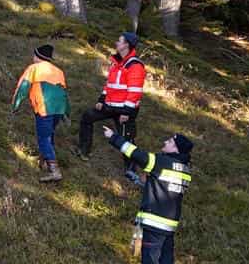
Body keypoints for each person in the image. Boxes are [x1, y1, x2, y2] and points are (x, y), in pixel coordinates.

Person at [102, 124, 193, 264]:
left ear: (176, 149)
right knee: (166, 260)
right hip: (169, 224)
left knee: (150, 261)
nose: (165, 142)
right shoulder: (185, 169)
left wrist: (113, 137)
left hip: (154, 221)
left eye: (169, 141)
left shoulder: (162, 162)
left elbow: (136, 154)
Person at [76, 31, 147, 181]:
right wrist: (101, 100)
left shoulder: (135, 66)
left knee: (127, 139)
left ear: (127, 45)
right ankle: (83, 151)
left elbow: (135, 92)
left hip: (125, 110)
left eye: (119, 41)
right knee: (87, 117)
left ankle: (131, 171)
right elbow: (109, 85)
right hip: (110, 106)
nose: (116, 43)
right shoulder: (116, 63)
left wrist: (126, 112)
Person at [10, 43, 69, 182]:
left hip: (44, 108)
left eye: (34, 55)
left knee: (43, 138)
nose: (33, 57)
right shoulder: (59, 71)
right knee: (49, 135)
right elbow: (64, 93)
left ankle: (54, 171)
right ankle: (43, 162)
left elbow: (23, 87)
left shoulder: (34, 68)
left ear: (38, 57)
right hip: (59, 109)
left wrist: (15, 105)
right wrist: (67, 112)